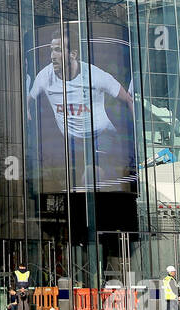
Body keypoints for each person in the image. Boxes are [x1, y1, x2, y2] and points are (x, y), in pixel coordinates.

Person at [27, 30, 135, 190]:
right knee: (68, 184)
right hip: (71, 142)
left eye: (58, 49)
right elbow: (29, 100)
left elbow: (128, 99)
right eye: (51, 49)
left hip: (101, 136)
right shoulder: (44, 77)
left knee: (90, 178)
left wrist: (135, 136)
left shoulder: (95, 76)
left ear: (73, 54)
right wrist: (27, 113)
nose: (52, 55)